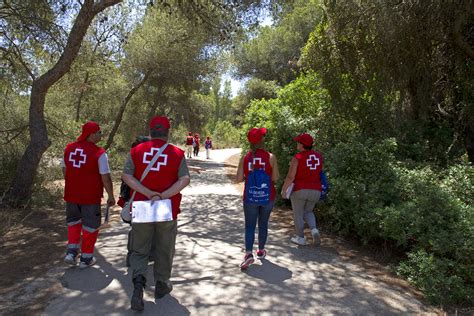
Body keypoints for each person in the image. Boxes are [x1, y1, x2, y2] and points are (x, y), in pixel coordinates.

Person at [122, 116, 190, 311]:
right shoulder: (177, 153)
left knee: (140, 247)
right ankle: (161, 283)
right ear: (167, 132)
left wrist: (146, 193)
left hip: (142, 206)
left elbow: (126, 176)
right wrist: (164, 195)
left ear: (150, 131)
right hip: (166, 208)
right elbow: (184, 179)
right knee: (164, 246)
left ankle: (138, 285)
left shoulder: (136, 151)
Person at [62, 121, 115, 268]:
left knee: (73, 222)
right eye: (98, 132)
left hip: (71, 195)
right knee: (90, 226)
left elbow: (64, 169)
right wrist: (111, 196)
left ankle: (71, 253)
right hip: (90, 197)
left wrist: (73, 182)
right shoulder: (99, 153)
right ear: (91, 134)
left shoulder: (69, 149)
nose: (100, 135)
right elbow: (106, 177)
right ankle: (86, 259)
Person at [236, 127, 279, 270]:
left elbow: (238, 178)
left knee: (249, 226)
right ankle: (260, 250)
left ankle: (248, 253)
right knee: (263, 223)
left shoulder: (245, 158)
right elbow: (275, 178)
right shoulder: (271, 157)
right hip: (267, 197)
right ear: (262, 140)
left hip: (250, 197)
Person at [280, 133, 323, 246]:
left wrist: (284, 189)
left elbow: (290, 177)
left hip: (300, 190)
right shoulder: (319, 157)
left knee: (298, 213)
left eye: (298, 142)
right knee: (308, 211)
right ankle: (314, 230)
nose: (297, 143)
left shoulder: (297, 158)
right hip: (316, 190)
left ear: (302, 145)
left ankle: (300, 238)